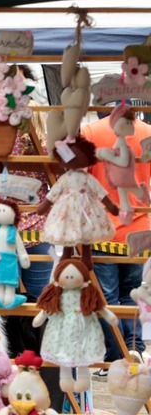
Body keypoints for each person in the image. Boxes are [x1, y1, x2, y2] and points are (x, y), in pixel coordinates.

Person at [80, 105, 151, 363]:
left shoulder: (89, 131)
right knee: (131, 292)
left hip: (102, 229)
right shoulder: (147, 132)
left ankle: (116, 356)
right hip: (140, 227)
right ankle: (133, 348)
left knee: (106, 296)